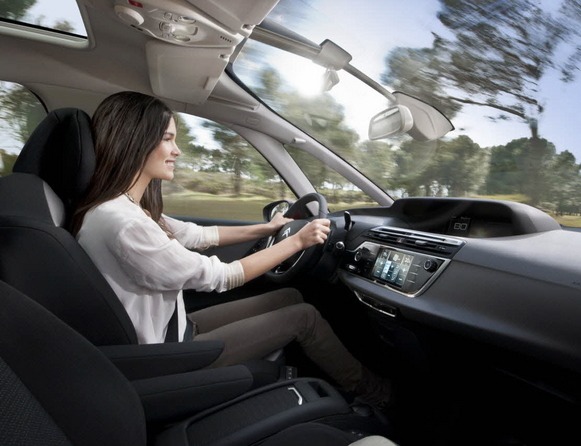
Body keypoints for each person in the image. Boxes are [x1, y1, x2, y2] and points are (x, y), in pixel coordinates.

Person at [70, 91, 390, 406]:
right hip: (165, 355)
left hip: (171, 328)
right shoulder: (125, 224)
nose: (177, 151)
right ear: (135, 140)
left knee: (290, 296)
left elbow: (197, 234)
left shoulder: (121, 209)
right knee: (304, 317)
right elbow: (221, 276)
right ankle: (376, 395)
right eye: (168, 139)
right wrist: (297, 240)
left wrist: (267, 228)